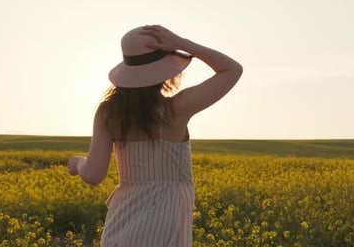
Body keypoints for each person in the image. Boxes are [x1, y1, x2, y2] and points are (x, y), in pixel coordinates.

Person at [67, 24, 243, 246]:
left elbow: (93, 174)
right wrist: (181, 43)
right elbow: (232, 70)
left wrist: (78, 163)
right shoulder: (176, 110)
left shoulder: (108, 112)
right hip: (164, 226)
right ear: (166, 71)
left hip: (122, 223)